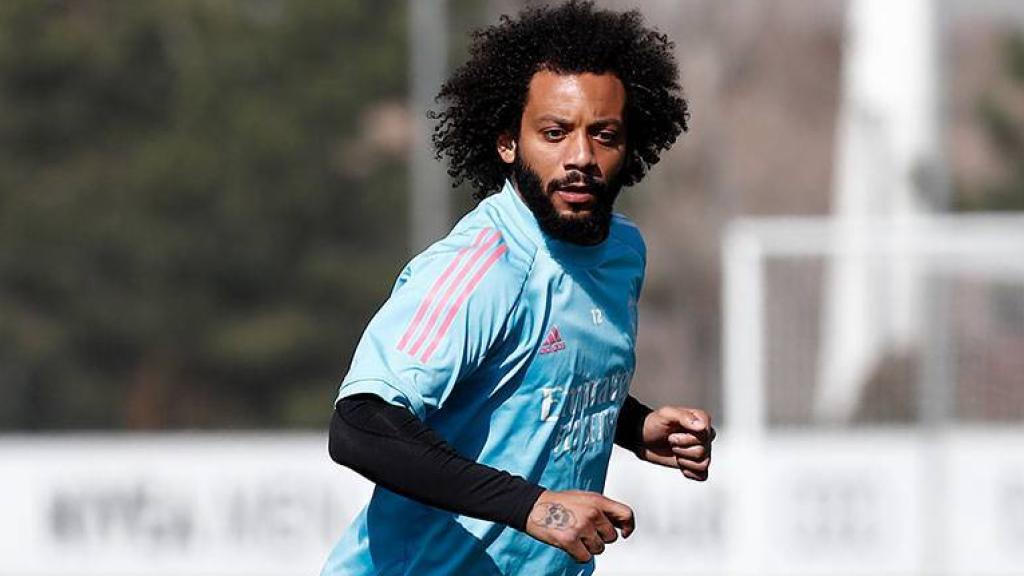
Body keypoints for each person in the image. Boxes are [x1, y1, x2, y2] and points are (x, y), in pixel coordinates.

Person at [321, 2, 714, 575]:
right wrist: (536, 509)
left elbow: (531, 376)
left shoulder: (623, 253)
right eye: (554, 133)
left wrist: (633, 426)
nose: (580, 157)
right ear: (508, 142)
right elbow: (360, 425)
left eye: (603, 135)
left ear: (632, 144)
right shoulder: (483, 268)